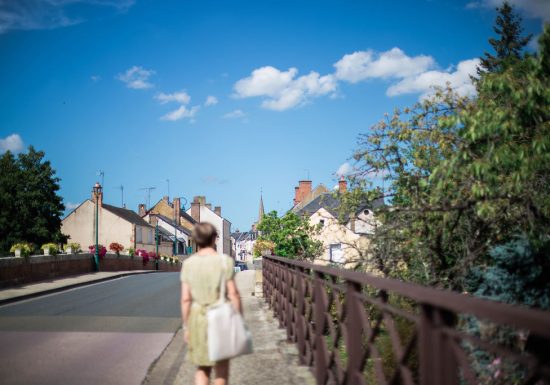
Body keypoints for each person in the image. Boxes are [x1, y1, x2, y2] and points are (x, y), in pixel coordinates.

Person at [180, 222, 242, 385]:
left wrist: (186, 327)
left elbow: (186, 299)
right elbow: (234, 294)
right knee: (221, 369)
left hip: (198, 320)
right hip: (221, 318)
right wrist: (239, 320)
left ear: (195, 240)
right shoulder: (225, 262)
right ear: (215, 238)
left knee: (202, 368)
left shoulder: (188, 264)